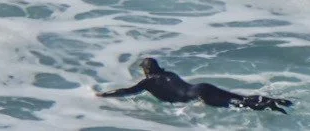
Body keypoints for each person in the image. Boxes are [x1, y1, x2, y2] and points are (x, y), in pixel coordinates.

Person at [97, 58, 290, 112]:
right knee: (240, 98)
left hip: (198, 96)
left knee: (241, 106)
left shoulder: (147, 82)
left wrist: (103, 96)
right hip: (202, 87)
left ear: (146, 71)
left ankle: (268, 106)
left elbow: (125, 92)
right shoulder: (169, 74)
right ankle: (275, 101)